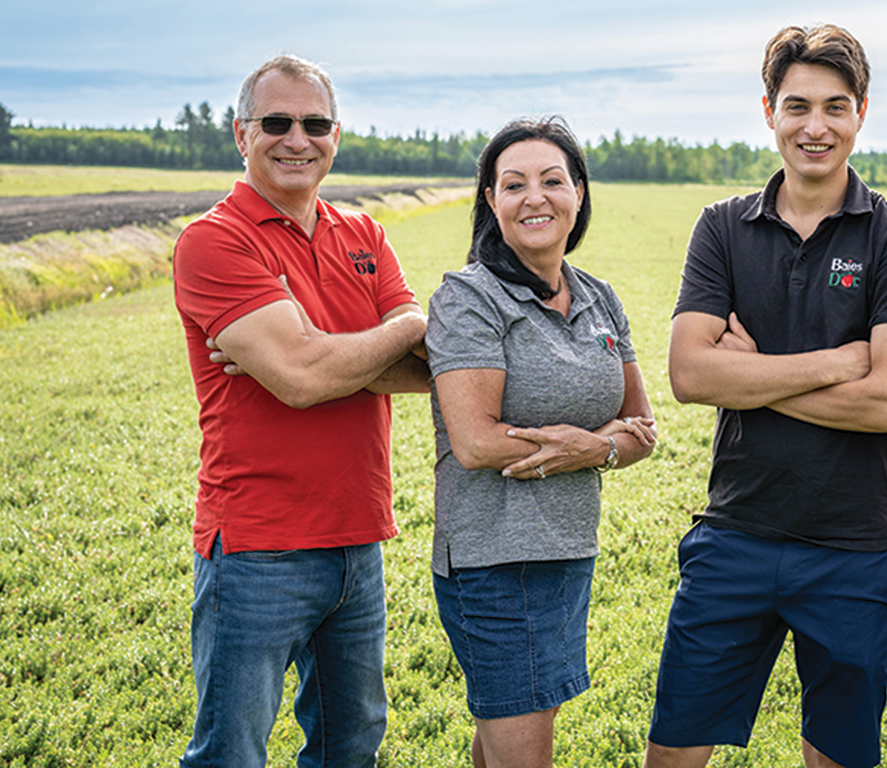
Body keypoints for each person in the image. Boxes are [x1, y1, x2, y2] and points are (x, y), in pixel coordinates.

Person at [643, 24, 887, 768]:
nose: (817, 127)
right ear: (769, 110)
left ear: (861, 114)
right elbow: (690, 375)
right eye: (798, 106)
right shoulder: (721, 226)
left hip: (854, 548)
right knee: (672, 753)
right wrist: (838, 361)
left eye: (836, 107)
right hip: (734, 534)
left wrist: (755, 377)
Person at [172, 54, 431, 767]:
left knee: (351, 748)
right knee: (231, 752)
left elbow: (417, 376)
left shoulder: (364, 234)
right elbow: (301, 378)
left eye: (315, 123)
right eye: (276, 122)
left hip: (358, 539)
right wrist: (401, 332)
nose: (297, 139)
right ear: (241, 134)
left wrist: (325, 355)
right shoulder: (214, 240)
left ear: (336, 136)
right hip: (258, 547)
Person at [425, 116, 658, 768]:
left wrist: (594, 449)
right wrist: (599, 443)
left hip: (567, 552)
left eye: (553, 180)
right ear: (491, 201)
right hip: (495, 563)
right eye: (514, 184)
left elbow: (643, 426)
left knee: (512, 730)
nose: (536, 197)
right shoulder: (471, 298)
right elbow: (474, 441)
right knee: (523, 743)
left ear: (578, 193)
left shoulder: (599, 298)